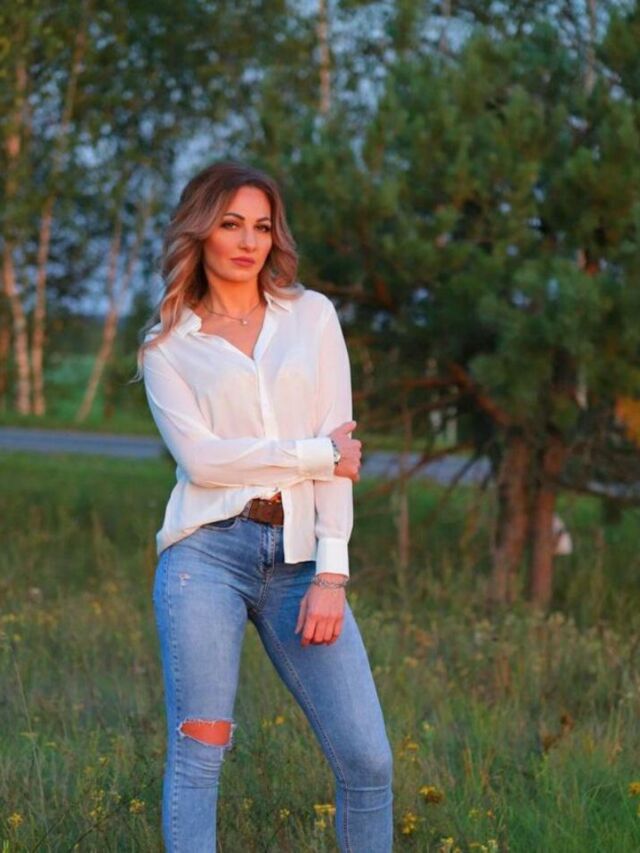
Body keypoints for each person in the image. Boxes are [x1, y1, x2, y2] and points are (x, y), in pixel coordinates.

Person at [135, 160, 393, 852]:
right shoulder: (167, 348)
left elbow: (342, 440)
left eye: (262, 226)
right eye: (230, 224)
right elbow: (204, 462)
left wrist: (332, 574)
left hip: (303, 559)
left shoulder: (311, 317)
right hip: (204, 556)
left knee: (368, 760)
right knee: (200, 753)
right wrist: (315, 455)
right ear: (201, 232)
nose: (248, 241)